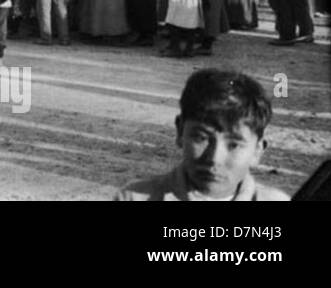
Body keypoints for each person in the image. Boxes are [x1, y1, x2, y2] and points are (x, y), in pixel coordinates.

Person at [115, 69, 288, 200]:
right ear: (180, 131)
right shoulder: (134, 197)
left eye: (234, 144)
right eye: (201, 138)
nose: (214, 158)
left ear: (257, 150)